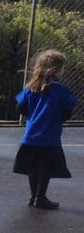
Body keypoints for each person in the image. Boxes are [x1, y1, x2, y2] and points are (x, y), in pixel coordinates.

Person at [13, 50, 76, 210]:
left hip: (30, 136)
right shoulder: (60, 90)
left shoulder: (31, 88)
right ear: (55, 70)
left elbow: (20, 108)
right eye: (62, 68)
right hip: (49, 137)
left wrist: (33, 115)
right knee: (45, 168)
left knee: (32, 167)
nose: (63, 71)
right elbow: (68, 109)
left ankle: (33, 196)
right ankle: (41, 197)